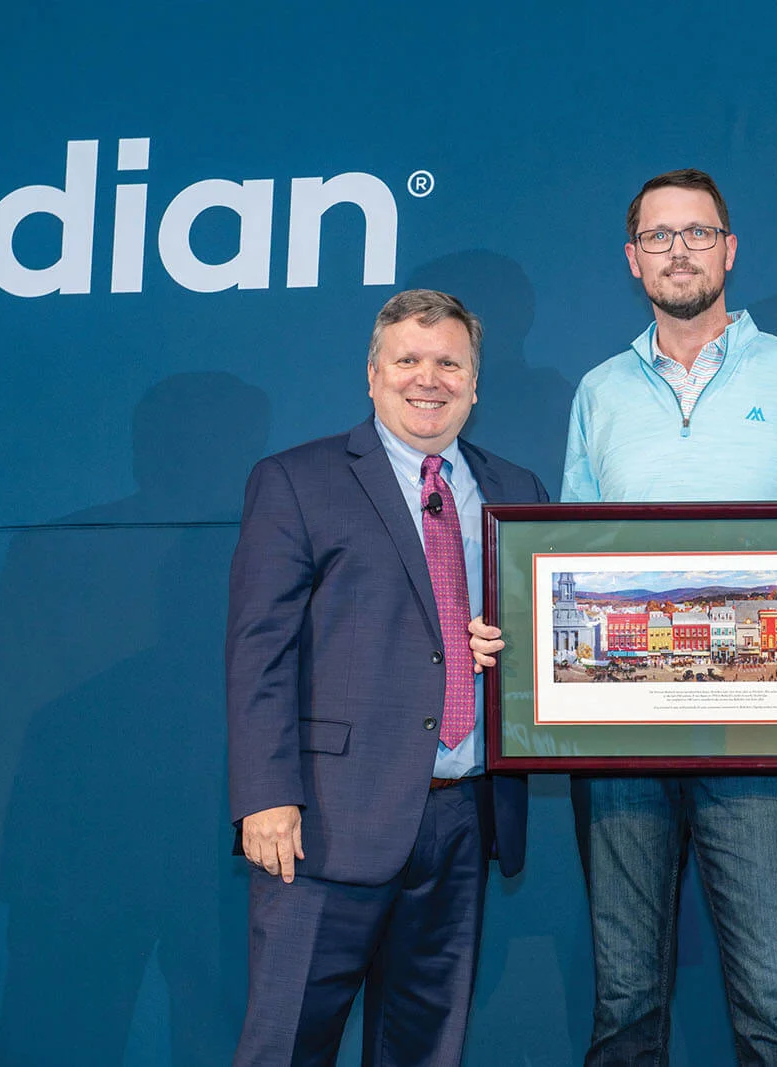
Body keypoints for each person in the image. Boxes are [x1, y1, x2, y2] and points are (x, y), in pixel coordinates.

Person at [475, 168, 777, 1064]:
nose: (679, 250)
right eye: (659, 236)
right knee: (623, 1003)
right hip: (619, 747)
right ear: (632, 259)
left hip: (768, 743)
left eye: (697, 232)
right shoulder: (599, 392)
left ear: (729, 249)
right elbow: (565, 558)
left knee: (776, 1003)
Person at [226, 289, 549, 1066]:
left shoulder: (518, 490)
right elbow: (258, 650)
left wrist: (522, 654)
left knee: (424, 1050)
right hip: (326, 822)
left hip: (464, 816)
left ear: (475, 384)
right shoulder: (297, 480)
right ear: (372, 377)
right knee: (286, 1046)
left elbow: (548, 651)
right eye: (407, 360)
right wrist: (265, 795)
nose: (426, 379)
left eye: (448, 363)